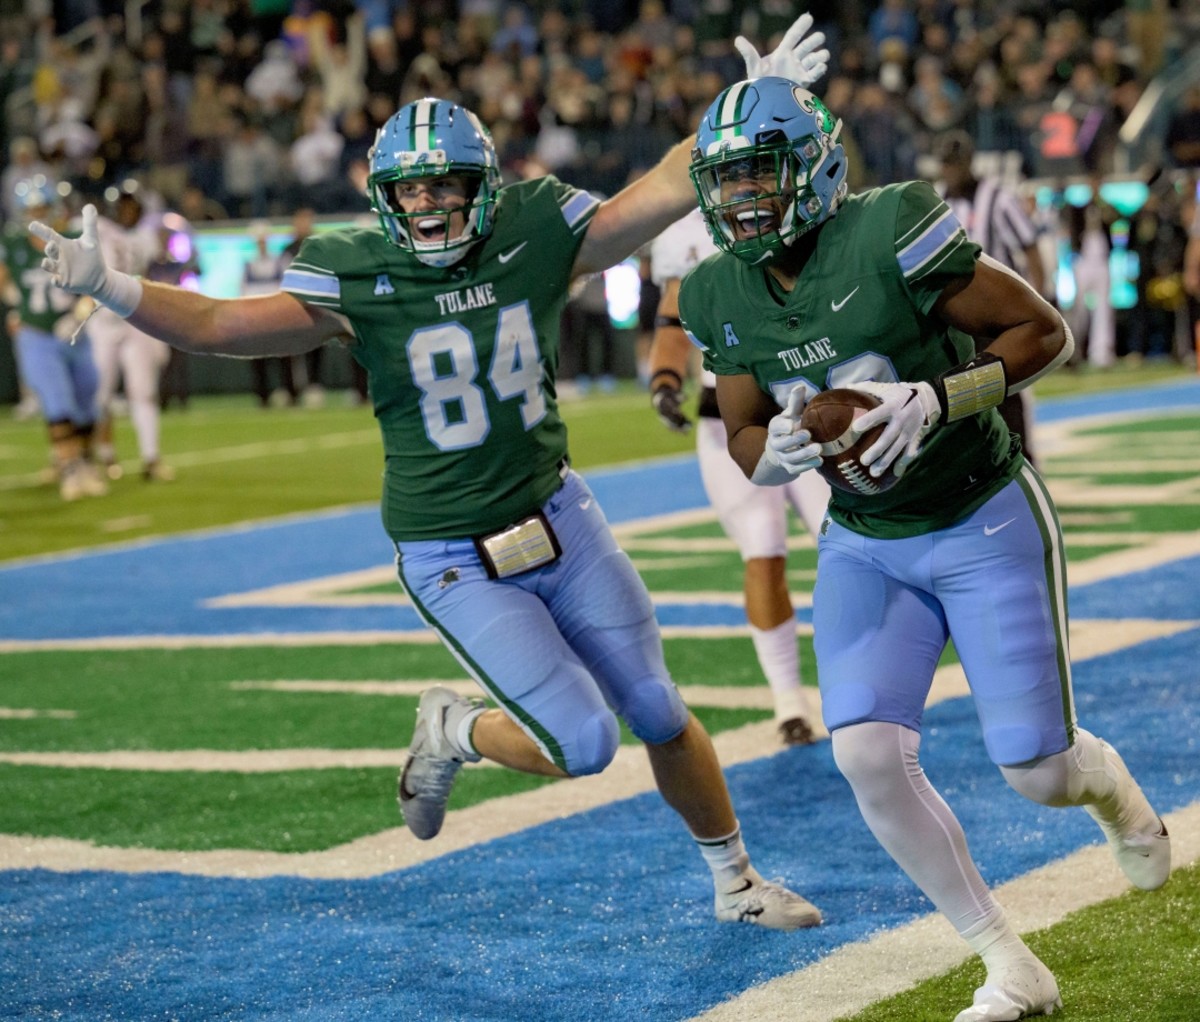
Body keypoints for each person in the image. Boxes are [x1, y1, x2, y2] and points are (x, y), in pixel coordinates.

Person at [29, 17, 836, 932]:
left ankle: (736, 885)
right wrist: (114, 287)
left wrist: (744, 118)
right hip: (452, 550)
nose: (429, 210)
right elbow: (220, 326)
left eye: (447, 188)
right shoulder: (358, 272)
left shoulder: (534, 229)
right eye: (411, 193)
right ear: (383, 199)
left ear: (483, 187)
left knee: (657, 707)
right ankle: (454, 729)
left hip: (561, 517)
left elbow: (657, 192)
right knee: (582, 742)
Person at [677, 77, 1170, 1021]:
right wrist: (772, 455)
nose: (742, 198)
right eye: (726, 179)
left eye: (760, 175)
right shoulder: (717, 288)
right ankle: (1008, 962)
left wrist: (942, 396)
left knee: (1038, 772)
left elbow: (1043, 330)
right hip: (866, 542)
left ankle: (1111, 792)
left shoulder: (891, 225)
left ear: (815, 167)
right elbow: (741, 428)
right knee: (864, 755)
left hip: (982, 511)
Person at [648, 207, 828, 745]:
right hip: (730, 415)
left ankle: (863, 680)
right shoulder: (684, 233)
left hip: (808, 403)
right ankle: (788, 700)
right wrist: (663, 377)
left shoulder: (802, 209)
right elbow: (673, 319)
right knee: (763, 547)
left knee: (846, 544)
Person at [935, 130, 1046, 466]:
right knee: (960, 392)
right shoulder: (937, 203)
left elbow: (1030, 248)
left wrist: (1039, 300)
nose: (953, 171)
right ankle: (976, 464)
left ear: (969, 162)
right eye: (948, 164)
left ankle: (1021, 461)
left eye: (958, 164)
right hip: (955, 315)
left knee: (1005, 387)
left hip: (997, 313)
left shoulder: (998, 197)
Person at [0, 177, 107, 501]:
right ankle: (71, 468)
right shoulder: (14, 241)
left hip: (75, 333)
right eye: (32, 208)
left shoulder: (73, 238)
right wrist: (14, 302)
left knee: (88, 399)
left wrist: (79, 313)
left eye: (42, 207)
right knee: (57, 400)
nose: (38, 213)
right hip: (37, 335)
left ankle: (86, 463)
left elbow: (96, 282)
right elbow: (2, 278)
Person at [88, 181, 175, 481]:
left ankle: (151, 458)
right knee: (100, 394)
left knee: (143, 391)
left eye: (131, 205)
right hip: (102, 320)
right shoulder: (96, 228)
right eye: (122, 205)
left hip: (136, 320)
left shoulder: (146, 236)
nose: (126, 211)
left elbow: (151, 274)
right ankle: (105, 455)